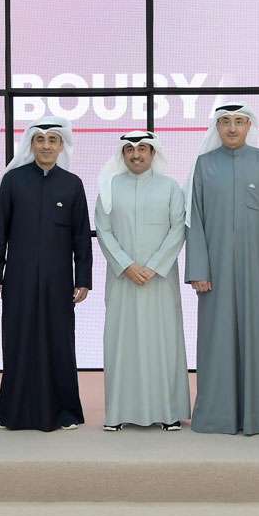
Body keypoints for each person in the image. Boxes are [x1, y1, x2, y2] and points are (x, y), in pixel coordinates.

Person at [185, 102, 259, 435]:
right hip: (214, 273)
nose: (232, 128)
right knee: (216, 341)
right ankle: (217, 416)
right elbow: (194, 219)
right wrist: (198, 269)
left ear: (249, 126)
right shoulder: (204, 164)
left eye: (239, 121)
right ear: (217, 127)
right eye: (226, 122)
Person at [0, 117, 92, 431]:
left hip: (58, 280)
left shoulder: (72, 184)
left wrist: (83, 278)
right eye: (40, 140)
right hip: (18, 278)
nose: (46, 146)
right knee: (18, 340)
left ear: (61, 146)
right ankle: (13, 413)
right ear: (31, 144)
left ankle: (64, 412)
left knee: (59, 341)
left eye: (53, 140)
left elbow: (81, 236)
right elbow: (0, 230)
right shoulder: (13, 180)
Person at [95, 131, 190, 431]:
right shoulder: (109, 187)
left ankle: (168, 412)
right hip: (123, 280)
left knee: (163, 343)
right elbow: (103, 230)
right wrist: (126, 265)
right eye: (130, 150)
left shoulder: (171, 187)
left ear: (153, 153)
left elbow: (178, 229)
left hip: (160, 281)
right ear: (122, 154)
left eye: (142, 149)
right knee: (121, 344)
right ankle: (118, 413)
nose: (136, 155)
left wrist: (154, 266)